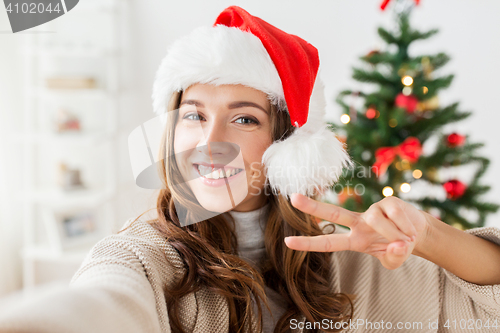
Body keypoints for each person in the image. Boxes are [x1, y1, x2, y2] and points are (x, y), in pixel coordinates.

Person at [1, 5, 500, 333]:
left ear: (285, 142)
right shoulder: (144, 256)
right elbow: (104, 304)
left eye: (243, 118)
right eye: (194, 115)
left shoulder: (352, 257)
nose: (210, 142)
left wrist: (428, 234)